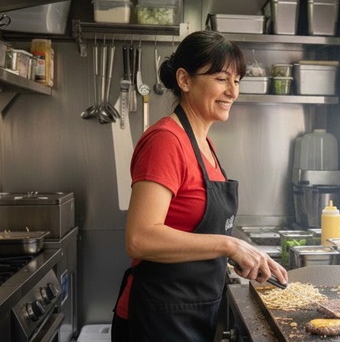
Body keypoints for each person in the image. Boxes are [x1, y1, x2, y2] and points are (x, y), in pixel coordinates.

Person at [111, 30, 287, 342]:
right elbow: (140, 238)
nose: (233, 91)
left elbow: (192, 232)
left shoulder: (204, 144)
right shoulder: (165, 141)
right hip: (156, 320)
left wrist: (243, 255)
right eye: (221, 79)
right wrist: (229, 245)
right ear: (185, 79)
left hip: (193, 314)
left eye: (237, 80)